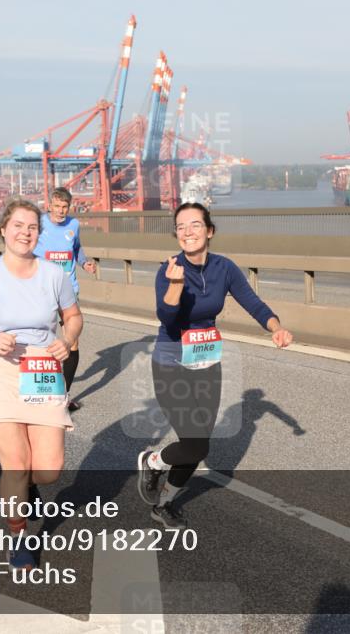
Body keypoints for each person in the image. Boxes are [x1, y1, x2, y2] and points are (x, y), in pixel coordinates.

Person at [136, 202, 293, 529]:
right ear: (176, 234)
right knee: (193, 443)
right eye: (181, 226)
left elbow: (253, 302)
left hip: (206, 360)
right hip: (171, 360)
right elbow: (167, 318)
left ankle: (164, 503)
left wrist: (276, 327)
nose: (187, 232)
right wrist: (176, 287)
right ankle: (153, 461)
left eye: (195, 225)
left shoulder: (225, 268)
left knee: (198, 444)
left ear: (209, 231)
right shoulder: (169, 270)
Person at [0, 199, 82, 570]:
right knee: (15, 463)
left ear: (38, 234)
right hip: (0, 372)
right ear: (3, 230)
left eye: (32, 227)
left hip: (41, 370)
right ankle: (18, 535)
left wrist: (68, 339)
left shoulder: (53, 274)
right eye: (18, 225)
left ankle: (30, 485)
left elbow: (73, 317)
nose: (25, 232)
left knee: (48, 469)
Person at [32, 188, 97, 411]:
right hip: (41, 290)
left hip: (68, 290)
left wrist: (85, 262)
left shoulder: (74, 225)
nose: (61, 211)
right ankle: (36, 390)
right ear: (49, 205)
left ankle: (63, 397)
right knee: (41, 339)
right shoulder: (38, 223)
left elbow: (76, 248)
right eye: (57, 206)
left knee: (72, 340)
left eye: (65, 207)